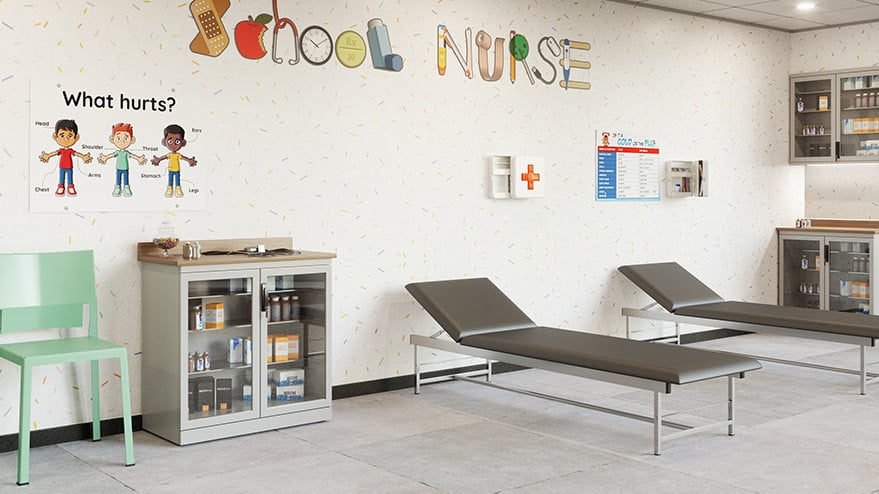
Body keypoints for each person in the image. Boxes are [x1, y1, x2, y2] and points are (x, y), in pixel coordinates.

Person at [38, 119, 93, 197]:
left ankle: (70, 187)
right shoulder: (61, 150)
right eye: (62, 135)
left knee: (70, 177)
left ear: (76, 137)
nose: (66, 139)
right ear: (55, 136)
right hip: (62, 167)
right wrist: (48, 156)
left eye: (70, 136)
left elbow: (76, 154)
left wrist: (83, 157)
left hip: (69, 167)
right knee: (61, 177)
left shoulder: (70, 151)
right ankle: (61, 187)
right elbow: (55, 153)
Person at [98, 123, 147, 197]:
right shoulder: (118, 152)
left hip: (125, 168)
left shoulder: (126, 153)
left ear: (132, 140)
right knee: (118, 178)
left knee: (126, 178)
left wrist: (138, 158)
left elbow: (132, 155)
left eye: (126, 139)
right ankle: (118, 188)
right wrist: (105, 157)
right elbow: (112, 155)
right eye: (118, 138)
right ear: (112, 139)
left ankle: (126, 188)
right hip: (118, 168)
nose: (122, 142)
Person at [151, 124, 197, 198]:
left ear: (183, 142)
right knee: (170, 180)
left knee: (177, 180)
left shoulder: (178, 155)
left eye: (177, 141)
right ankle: (170, 189)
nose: (173, 144)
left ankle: (178, 189)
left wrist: (189, 160)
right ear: (164, 142)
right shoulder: (169, 154)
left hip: (177, 170)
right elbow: (164, 157)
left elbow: (183, 158)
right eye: (170, 141)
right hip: (170, 170)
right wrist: (158, 160)